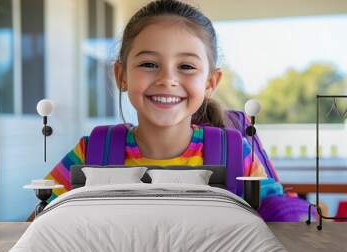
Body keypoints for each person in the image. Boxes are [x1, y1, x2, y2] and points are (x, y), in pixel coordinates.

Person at [43, 0, 311, 222]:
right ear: (121, 75)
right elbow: (43, 216)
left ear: (210, 83)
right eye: (149, 64)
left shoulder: (235, 153)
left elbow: (279, 211)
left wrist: (293, 217)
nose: (167, 79)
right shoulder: (90, 153)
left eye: (186, 66)